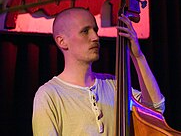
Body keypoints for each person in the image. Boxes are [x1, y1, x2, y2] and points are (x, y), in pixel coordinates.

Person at [32, 7, 165, 135]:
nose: (95, 37)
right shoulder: (49, 95)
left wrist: (138, 56)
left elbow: (155, 109)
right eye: (85, 31)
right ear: (62, 41)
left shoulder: (113, 84)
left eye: (95, 30)